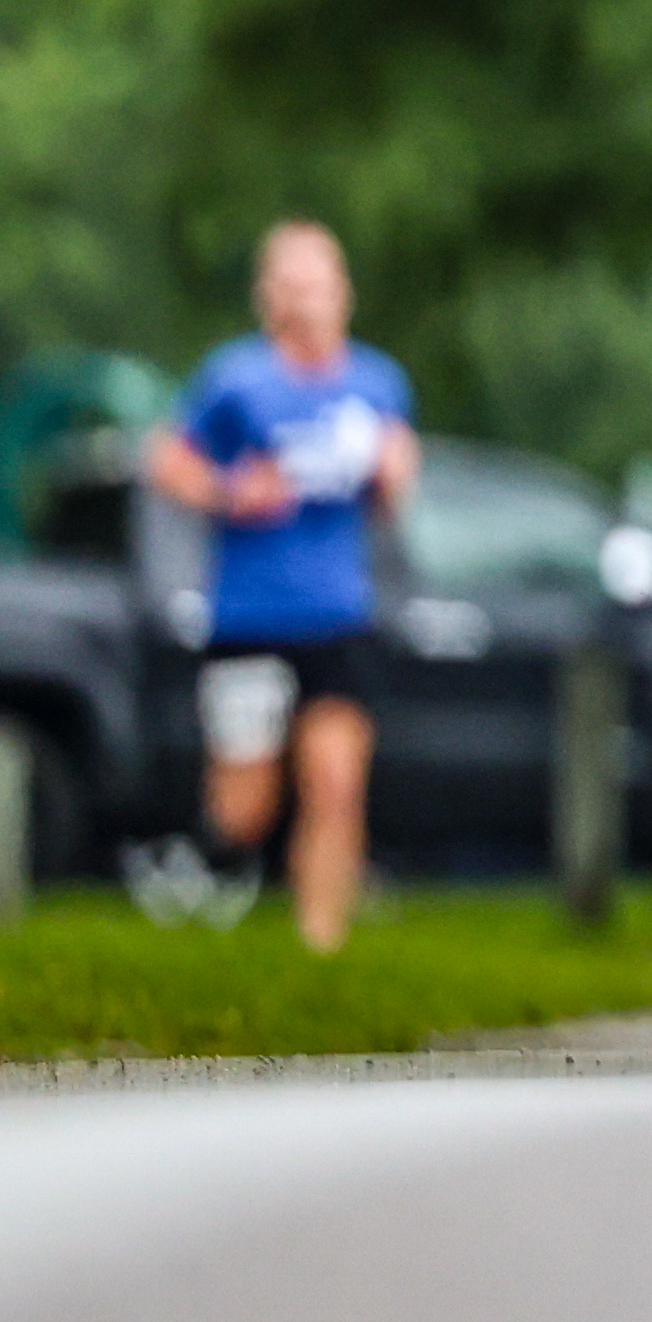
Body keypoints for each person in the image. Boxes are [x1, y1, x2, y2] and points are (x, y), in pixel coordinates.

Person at [142, 221, 413, 955]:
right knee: (246, 807)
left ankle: (320, 946)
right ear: (268, 296)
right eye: (289, 284)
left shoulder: (377, 382)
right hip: (250, 616)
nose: (305, 300)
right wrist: (230, 491)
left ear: (343, 292)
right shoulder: (236, 379)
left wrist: (394, 475)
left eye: (317, 283)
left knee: (335, 784)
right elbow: (164, 459)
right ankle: (202, 860)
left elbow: (398, 469)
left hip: (340, 615)